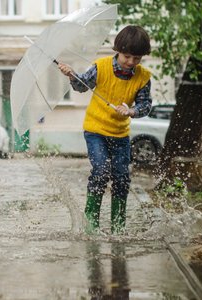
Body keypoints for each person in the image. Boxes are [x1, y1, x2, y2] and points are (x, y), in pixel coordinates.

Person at [58, 25, 152, 234]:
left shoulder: (143, 77)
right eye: (127, 56)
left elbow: (146, 105)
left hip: (120, 134)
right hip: (96, 131)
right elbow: (81, 86)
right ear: (117, 50)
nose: (131, 62)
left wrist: (132, 111)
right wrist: (72, 75)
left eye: (137, 58)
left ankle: (118, 228)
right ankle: (91, 226)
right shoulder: (100, 67)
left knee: (121, 177)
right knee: (101, 171)